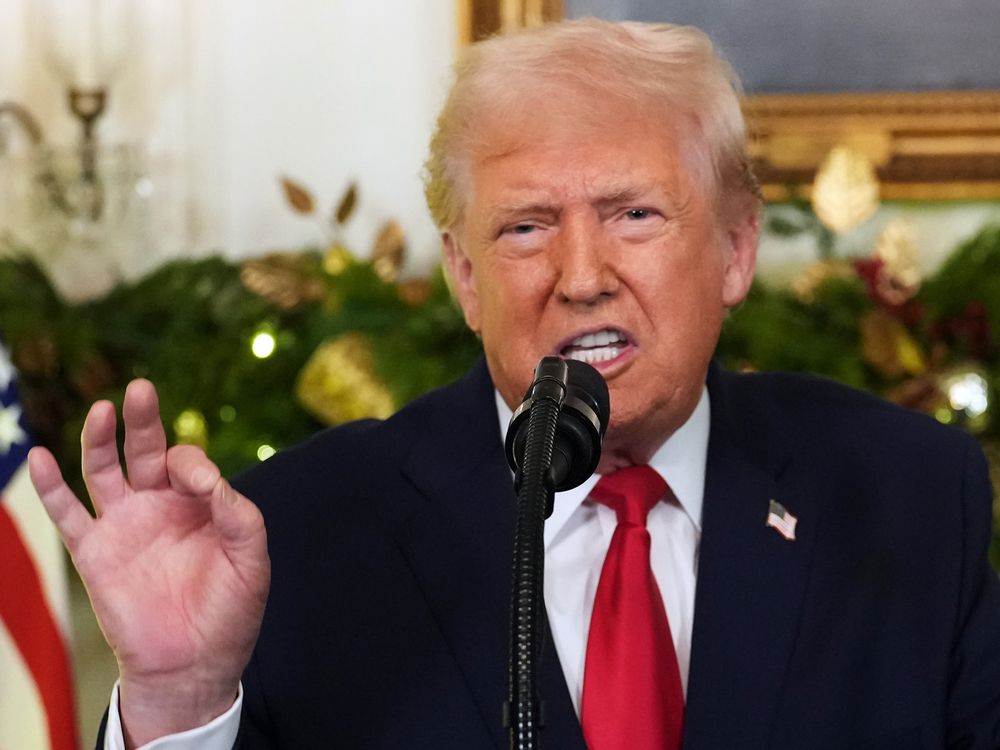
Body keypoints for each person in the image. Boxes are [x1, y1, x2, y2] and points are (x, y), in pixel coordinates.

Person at [29, 18, 1000, 750]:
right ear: (464, 276)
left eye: (633, 214)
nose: (580, 277)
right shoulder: (299, 533)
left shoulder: (908, 493)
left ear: (736, 249)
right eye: (526, 228)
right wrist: (180, 703)